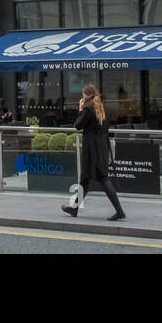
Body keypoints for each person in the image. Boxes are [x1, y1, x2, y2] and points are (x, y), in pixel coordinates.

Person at [62, 84, 126, 222]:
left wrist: (80, 109)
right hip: (101, 147)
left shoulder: (89, 109)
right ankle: (74, 208)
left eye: (83, 95)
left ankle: (120, 211)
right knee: (84, 179)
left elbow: (77, 125)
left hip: (91, 149)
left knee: (102, 178)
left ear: (86, 95)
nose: (82, 97)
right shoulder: (102, 108)